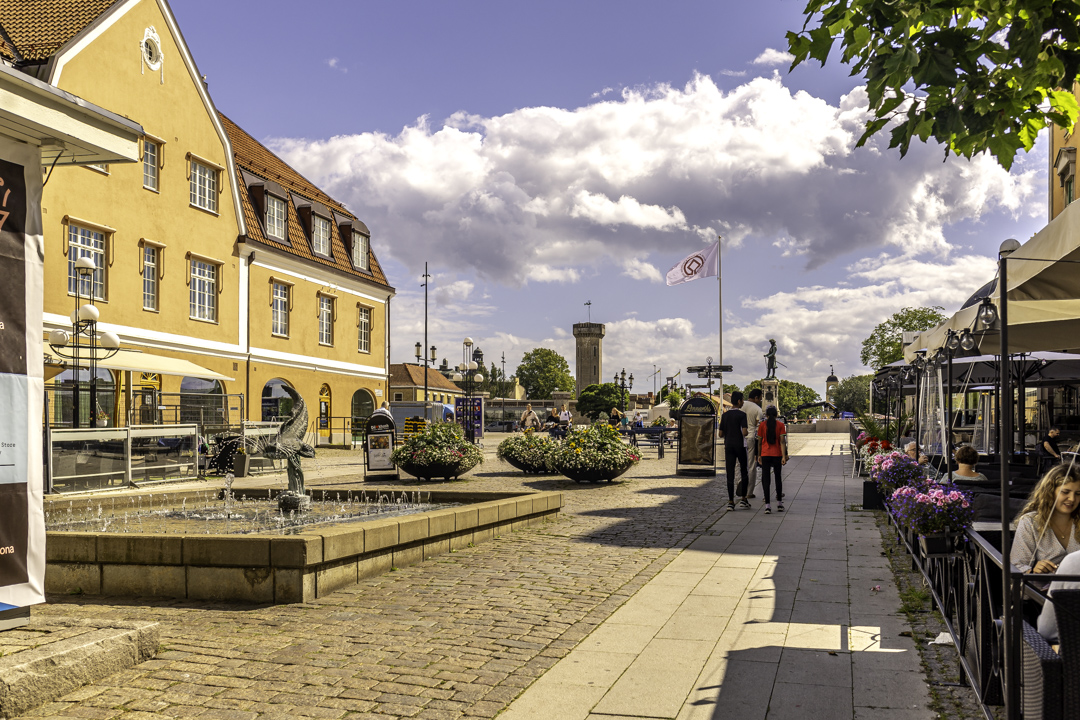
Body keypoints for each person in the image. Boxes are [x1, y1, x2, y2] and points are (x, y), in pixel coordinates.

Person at [1010, 464, 1080, 576]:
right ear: (1050, 492)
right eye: (1065, 492)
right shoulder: (1030, 522)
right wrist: (1033, 570)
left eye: (1078, 494)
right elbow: (1017, 565)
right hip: (1041, 586)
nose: (1072, 499)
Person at [1037, 549, 1080, 643]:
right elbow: (1018, 564)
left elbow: (1047, 630)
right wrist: (1032, 569)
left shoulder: (1074, 560)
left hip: (1073, 646)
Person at [718, 391, 750, 511]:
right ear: (739, 401)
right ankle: (743, 498)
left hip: (729, 446)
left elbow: (720, 434)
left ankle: (731, 501)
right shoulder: (742, 415)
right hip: (740, 445)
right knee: (744, 471)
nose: (743, 403)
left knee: (730, 473)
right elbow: (744, 432)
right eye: (742, 400)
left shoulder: (725, 416)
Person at [756, 405, 788, 513]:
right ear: (776, 415)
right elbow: (782, 441)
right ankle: (779, 503)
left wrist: (759, 455)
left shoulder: (762, 425)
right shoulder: (780, 425)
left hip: (765, 454)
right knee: (778, 478)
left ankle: (767, 505)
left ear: (766, 415)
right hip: (777, 454)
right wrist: (783, 456)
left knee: (766, 479)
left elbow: (759, 442)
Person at [743, 389, 764, 499]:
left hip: (740, 437)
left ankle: (740, 485)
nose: (760, 401)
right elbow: (758, 427)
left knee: (739, 464)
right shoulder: (758, 409)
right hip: (751, 437)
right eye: (760, 398)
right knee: (751, 465)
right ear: (756, 398)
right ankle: (749, 492)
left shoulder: (740, 405)